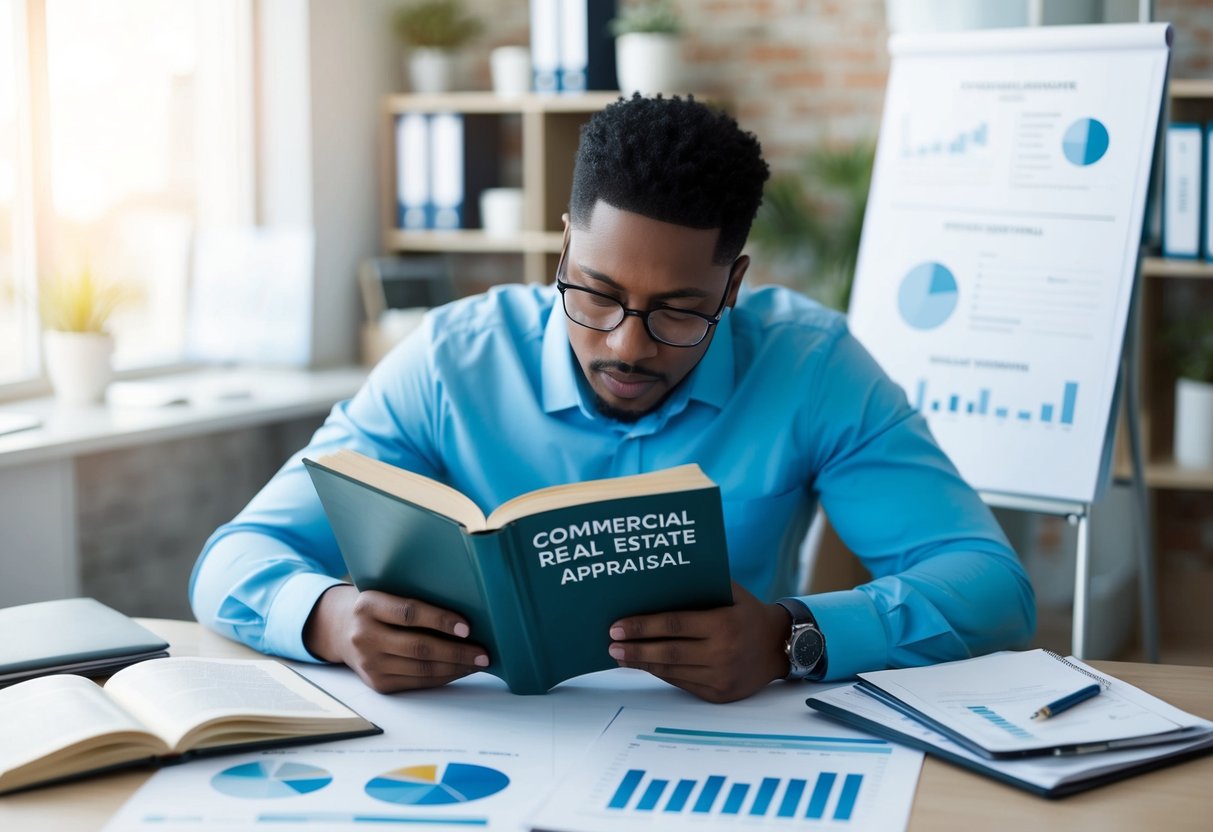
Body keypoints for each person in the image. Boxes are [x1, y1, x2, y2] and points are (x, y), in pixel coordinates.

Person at [190, 94, 1035, 703]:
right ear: (563, 244)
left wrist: (791, 637)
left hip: (725, 752)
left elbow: (992, 588)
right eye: (593, 294)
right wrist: (328, 618)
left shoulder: (811, 366)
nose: (626, 345)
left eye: (677, 311)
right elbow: (233, 558)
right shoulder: (450, 362)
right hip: (490, 746)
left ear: (733, 284)